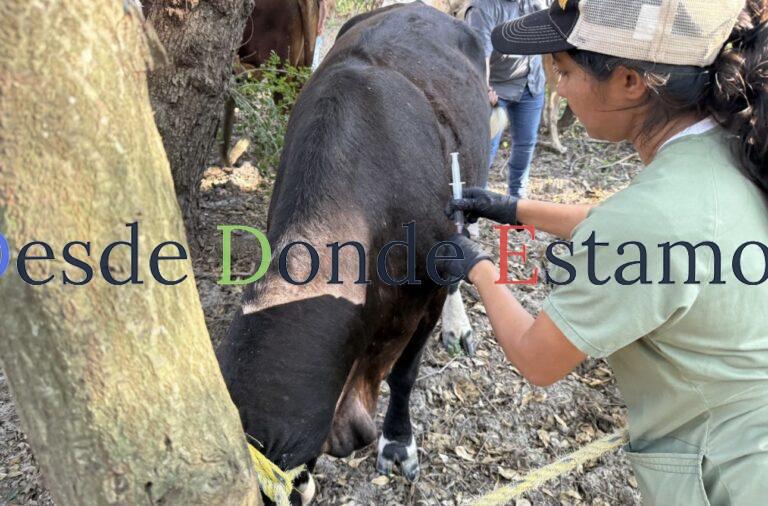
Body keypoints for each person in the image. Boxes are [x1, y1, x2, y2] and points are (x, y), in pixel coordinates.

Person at [436, 0, 768, 503]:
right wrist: (514, 208)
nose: (559, 90)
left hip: (730, 474)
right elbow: (630, 232)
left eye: (565, 71)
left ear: (631, 81)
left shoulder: (653, 218)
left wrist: (476, 265)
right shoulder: (726, 145)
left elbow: (536, 358)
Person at [465, 0, 547, 198]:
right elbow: (479, 56)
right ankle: (475, 201)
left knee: (526, 143)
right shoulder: (482, 8)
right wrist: (484, 90)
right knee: (486, 148)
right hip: (496, 87)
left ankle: (517, 198)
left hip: (531, 81)